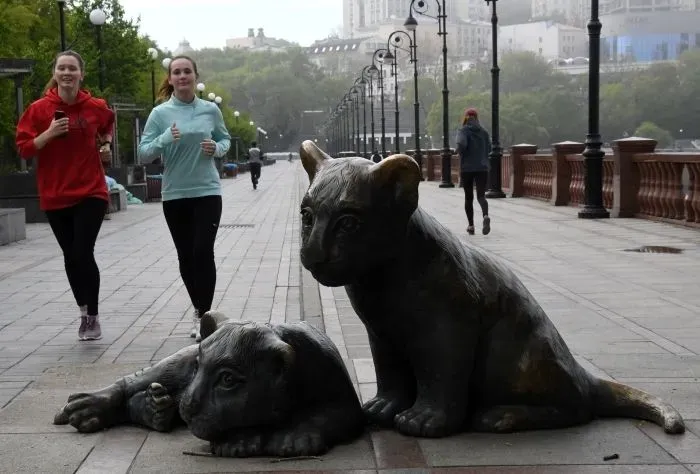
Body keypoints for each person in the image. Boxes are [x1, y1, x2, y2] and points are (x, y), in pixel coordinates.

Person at [15, 50, 115, 341]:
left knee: (83, 252)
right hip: (55, 193)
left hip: (91, 191)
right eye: (62, 68)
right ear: (55, 73)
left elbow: (108, 122)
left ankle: (93, 317)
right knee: (71, 257)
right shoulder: (38, 109)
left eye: (72, 68)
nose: (67, 73)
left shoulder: (94, 106)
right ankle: (83, 312)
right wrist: (47, 134)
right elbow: (23, 148)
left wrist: (105, 143)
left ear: (81, 74)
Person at [137, 55, 231, 342]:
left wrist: (216, 147)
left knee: (203, 251)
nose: (182, 76)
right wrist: (165, 138)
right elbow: (143, 153)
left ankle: (204, 316)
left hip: (207, 191)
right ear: (170, 78)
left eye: (186, 71)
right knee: (186, 256)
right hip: (175, 194)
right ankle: (199, 309)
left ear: (195, 76)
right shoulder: (160, 114)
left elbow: (225, 141)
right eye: (176, 72)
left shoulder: (210, 110)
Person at [455, 108, 491, 236]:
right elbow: (490, 149)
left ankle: (471, 226)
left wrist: (457, 150)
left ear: (466, 117)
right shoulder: (484, 132)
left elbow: (461, 145)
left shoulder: (463, 130)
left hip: (467, 168)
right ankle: (485, 216)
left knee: (468, 197)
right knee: (481, 196)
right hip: (482, 168)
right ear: (477, 118)